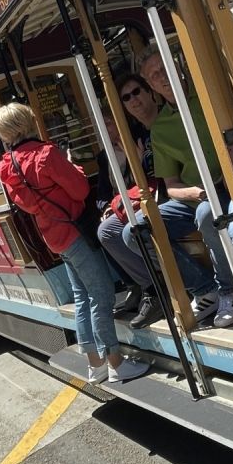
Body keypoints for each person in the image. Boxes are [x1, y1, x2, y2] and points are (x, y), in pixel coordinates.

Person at [0, 102, 149, 384]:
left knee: (82, 296)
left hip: (54, 235)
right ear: (27, 122)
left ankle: (94, 364)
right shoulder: (45, 154)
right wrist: (73, 167)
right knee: (101, 294)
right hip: (75, 232)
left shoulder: (7, 165)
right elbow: (79, 190)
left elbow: (29, 203)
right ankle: (115, 362)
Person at [128, 46, 233, 332]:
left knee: (217, 221)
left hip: (232, 182)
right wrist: (194, 192)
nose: (162, 77)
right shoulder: (161, 128)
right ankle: (207, 289)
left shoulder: (206, 96)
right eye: (154, 75)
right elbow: (171, 187)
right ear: (151, 85)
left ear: (176, 64)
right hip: (199, 195)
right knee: (136, 231)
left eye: (163, 67)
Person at [95, 73, 164, 312]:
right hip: (126, 202)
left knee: (129, 231)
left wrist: (134, 159)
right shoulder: (104, 156)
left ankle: (163, 284)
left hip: (151, 195)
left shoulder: (137, 137)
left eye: (109, 123)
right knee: (102, 231)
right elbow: (101, 194)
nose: (106, 129)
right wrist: (108, 206)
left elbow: (149, 178)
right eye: (127, 97)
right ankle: (143, 285)